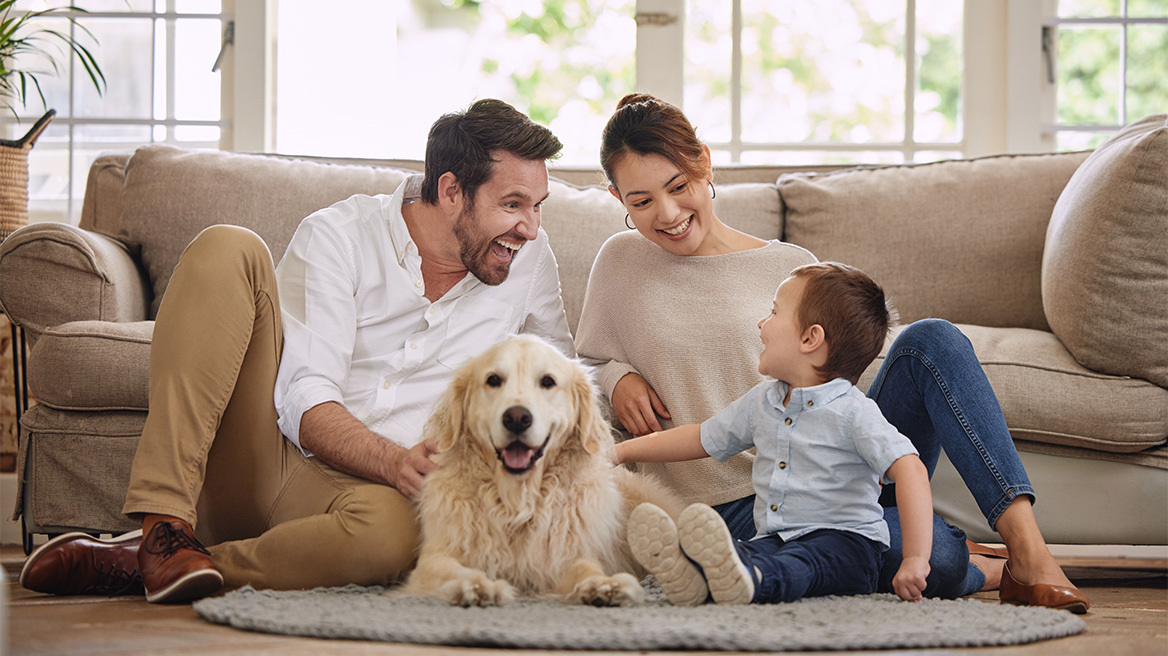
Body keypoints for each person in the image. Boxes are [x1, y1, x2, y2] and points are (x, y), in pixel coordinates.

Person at [19, 99, 574, 603]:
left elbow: (565, 377)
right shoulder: (341, 235)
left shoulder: (528, 257)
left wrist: (617, 377)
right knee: (228, 247)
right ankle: (162, 527)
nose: (529, 226)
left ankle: (161, 564)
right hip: (265, 450)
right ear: (452, 191)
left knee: (393, 539)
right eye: (513, 204)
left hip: (364, 497)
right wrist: (395, 460)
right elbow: (307, 400)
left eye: (538, 206)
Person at [575, 92, 1089, 613]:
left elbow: (842, 393)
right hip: (735, 509)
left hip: (840, 482)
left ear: (703, 162)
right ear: (619, 200)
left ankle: (1028, 553)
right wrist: (617, 377)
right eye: (640, 202)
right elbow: (579, 368)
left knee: (934, 340)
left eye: (678, 186)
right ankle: (969, 558)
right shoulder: (620, 264)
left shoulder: (794, 267)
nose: (667, 213)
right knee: (938, 561)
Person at [621, 262, 934, 606]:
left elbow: (910, 468)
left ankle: (754, 580)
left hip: (848, 545)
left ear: (810, 338)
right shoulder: (763, 400)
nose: (761, 323)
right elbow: (701, 437)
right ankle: (695, 573)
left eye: (773, 312)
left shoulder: (853, 412)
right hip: (776, 538)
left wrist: (915, 559)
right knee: (741, 551)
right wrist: (622, 453)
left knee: (800, 563)